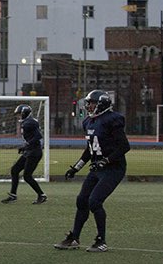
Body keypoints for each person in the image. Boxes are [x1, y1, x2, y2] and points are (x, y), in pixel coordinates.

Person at [53, 89, 130, 253]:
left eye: (91, 103)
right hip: (97, 167)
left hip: (113, 169)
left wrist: (106, 161)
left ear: (101, 103)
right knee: (82, 201)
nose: (88, 106)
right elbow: (90, 150)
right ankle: (74, 238)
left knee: (94, 202)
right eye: (88, 103)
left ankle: (101, 241)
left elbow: (124, 146)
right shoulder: (88, 122)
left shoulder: (112, 119)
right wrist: (76, 167)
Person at [2, 104, 47, 205]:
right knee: (15, 170)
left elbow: (38, 136)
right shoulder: (27, 122)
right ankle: (13, 195)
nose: (18, 117)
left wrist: (27, 144)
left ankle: (41, 195)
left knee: (27, 176)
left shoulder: (29, 122)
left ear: (24, 113)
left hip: (34, 153)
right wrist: (25, 147)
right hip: (29, 151)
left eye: (19, 114)